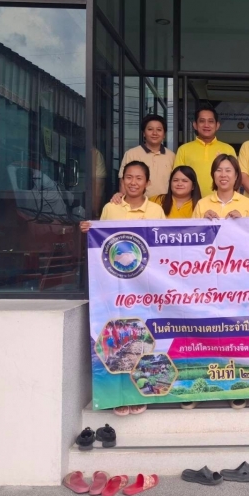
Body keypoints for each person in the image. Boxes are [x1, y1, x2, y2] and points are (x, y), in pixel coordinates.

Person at [81, 160, 166, 416]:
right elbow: (101, 243)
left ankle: (139, 391)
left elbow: (164, 249)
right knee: (118, 342)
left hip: (145, 289)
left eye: (139, 178)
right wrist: (89, 229)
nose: (133, 182)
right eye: (129, 177)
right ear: (122, 181)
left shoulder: (156, 211)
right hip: (115, 289)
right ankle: (117, 395)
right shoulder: (111, 207)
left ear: (148, 182)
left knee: (141, 341)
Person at [173, 105, 237, 198]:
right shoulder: (183, 149)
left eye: (210, 121)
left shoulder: (228, 149)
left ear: (217, 125)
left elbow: (236, 178)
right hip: (192, 201)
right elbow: (177, 178)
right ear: (195, 125)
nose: (206, 125)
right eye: (202, 121)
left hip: (221, 201)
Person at [118, 114, 175, 198]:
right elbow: (123, 183)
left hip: (165, 203)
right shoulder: (131, 154)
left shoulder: (172, 156)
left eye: (159, 130)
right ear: (144, 133)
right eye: (150, 129)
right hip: (139, 203)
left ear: (164, 135)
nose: (154, 133)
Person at [192, 154, 249, 220]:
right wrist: (204, 221)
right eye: (219, 170)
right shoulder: (201, 204)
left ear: (236, 175)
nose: (223, 175)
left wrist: (241, 220)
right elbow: (193, 227)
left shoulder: (248, 203)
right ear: (213, 175)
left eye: (228, 170)